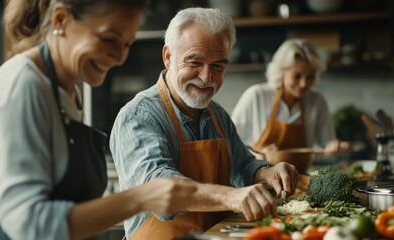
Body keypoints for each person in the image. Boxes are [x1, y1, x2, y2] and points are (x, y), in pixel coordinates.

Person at [0, 0, 198, 239]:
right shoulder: (22, 87)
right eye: (108, 39)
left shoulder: (68, 91)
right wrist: (140, 197)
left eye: (126, 44)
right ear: (60, 19)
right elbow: (29, 225)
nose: (119, 58)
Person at [110, 7, 299, 240]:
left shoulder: (216, 113)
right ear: (168, 57)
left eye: (218, 66)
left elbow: (241, 166)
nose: (206, 77)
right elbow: (159, 189)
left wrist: (268, 173)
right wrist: (232, 197)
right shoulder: (139, 116)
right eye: (194, 62)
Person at [231, 38, 349, 158]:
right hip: (261, 173)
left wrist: (333, 146)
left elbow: (327, 142)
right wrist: (256, 153)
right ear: (282, 71)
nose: (304, 84)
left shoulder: (317, 101)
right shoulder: (256, 95)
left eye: (310, 77)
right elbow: (230, 142)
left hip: (301, 174)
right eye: (297, 76)